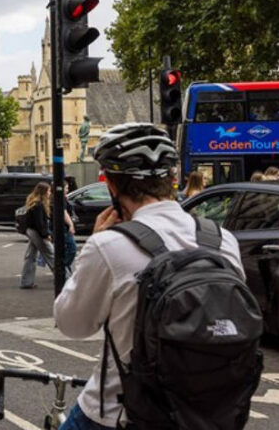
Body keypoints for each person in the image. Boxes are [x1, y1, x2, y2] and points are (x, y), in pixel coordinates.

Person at [53, 123, 243, 429]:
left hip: (122, 413)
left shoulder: (109, 245)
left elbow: (71, 324)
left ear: (112, 187)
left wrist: (89, 251)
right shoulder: (222, 240)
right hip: (209, 411)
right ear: (173, 179)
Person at [19, 181, 56, 289]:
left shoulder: (34, 202)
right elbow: (40, 223)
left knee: (30, 256)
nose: (50, 193)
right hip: (36, 232)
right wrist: (46, 235)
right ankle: (64, 278)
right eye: (49, 191)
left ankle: (26, 282)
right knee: (51, 254)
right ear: (43, 192)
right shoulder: (39, 205)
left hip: (31, 230)